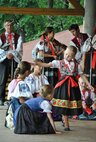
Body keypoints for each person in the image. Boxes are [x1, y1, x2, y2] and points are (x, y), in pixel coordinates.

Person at [35, 45, 94, 131]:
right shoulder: (60, 62)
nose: (66, 56)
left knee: (70, 105)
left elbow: (82, 75)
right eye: (65, 54)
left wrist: (89, 85)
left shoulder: (77, 65)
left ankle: (64, 120)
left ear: (74, 56)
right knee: (64, 104)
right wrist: (39, 63)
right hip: (63, 86)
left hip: (73, 86)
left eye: (69, 55)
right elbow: (48, 64)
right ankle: (66, 124)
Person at [0, 20, 23, 105]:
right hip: (4, 60)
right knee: (3, 79)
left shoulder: (18, 36)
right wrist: (6, 55)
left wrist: (13, 54)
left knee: (14, 78)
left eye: (10, 25)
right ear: (5, 27)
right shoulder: (1, 37)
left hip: (14, 59)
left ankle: (12, 97)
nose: (9, 27)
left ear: (12, 26)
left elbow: (19, 48)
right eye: (7, 25)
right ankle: (1, 98)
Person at [5, 61, 33, 129]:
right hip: (18, 108)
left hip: (11, 107)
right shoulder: (22, 84)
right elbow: (21, 100)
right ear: (26, 72)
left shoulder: (13, 81)